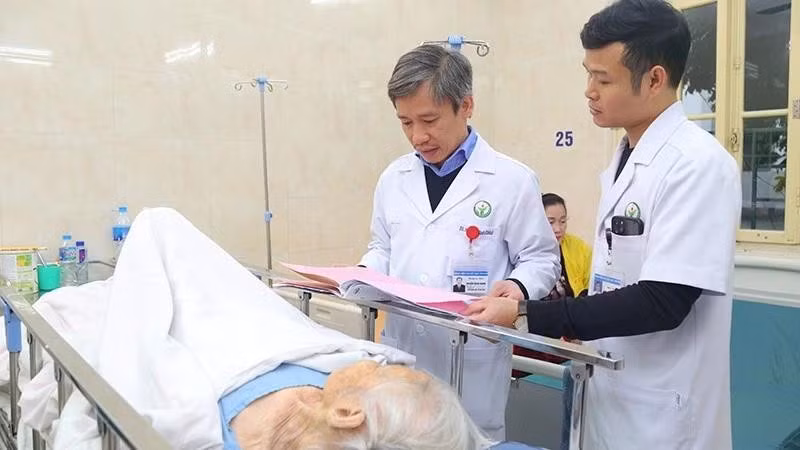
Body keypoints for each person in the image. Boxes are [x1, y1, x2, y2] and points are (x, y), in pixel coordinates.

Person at [465, 1, 741, 449]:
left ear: (654, 79)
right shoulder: (625, 158)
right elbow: (614, 280)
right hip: (611, 394)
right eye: (588, 75)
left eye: (603, 79)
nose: (589, 91)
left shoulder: (698, 165)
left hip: (664, 413)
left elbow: (663, 301)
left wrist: (529, 314)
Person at [13, 208, 495, 450]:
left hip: (201, 336)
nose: (377, 358)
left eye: (387, 372)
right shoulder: (328, 390)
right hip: (252, 330)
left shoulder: (206, 422)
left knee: (160, 222)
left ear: (348, 414)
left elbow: (142, 358)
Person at [359, 44, 560, 439]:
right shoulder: (393, 179)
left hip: (472, 364)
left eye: (429, 120)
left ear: (466, 105)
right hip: (405, 360)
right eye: (405, 122)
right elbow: (382, 247)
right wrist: (362, 274)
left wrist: (517, 287)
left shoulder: (511, 181)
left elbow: (541, 258)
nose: (418, 136)